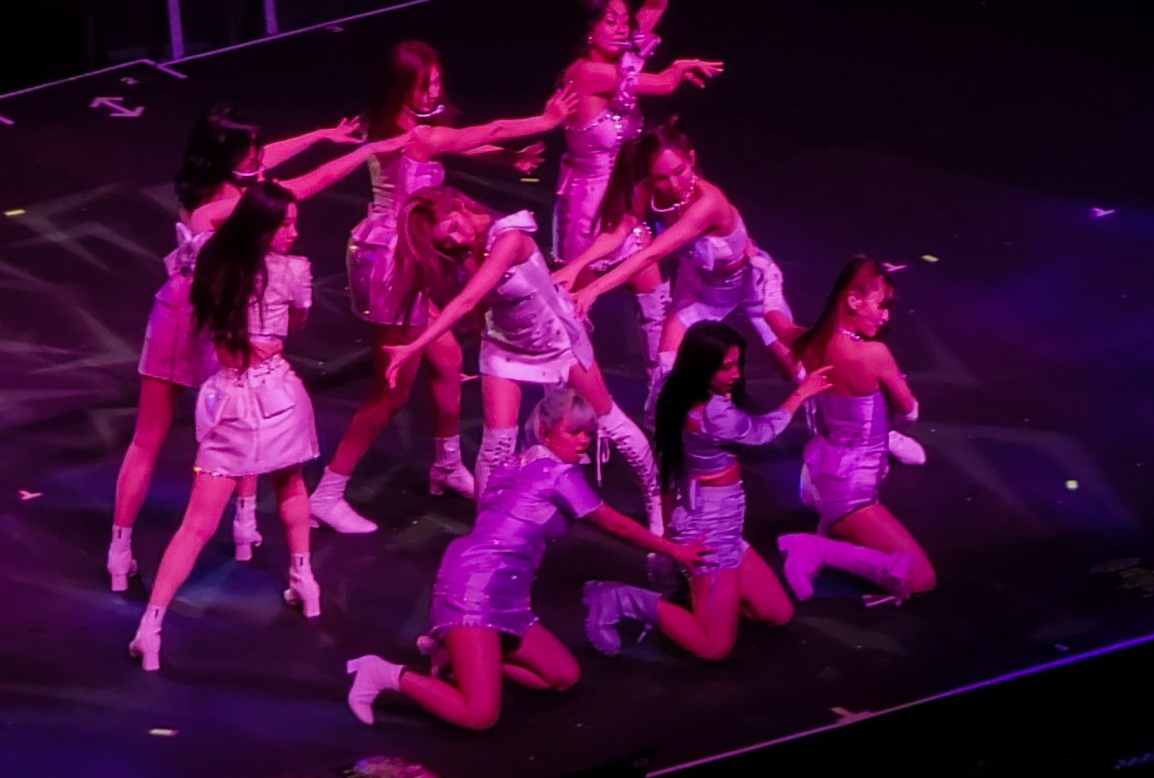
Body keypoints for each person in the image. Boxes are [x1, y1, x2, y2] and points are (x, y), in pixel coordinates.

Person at [110, 107, 400, 590]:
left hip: (182, 309)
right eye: (249, 155)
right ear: (226, 160)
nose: (260, 159)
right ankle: (232, 524)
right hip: (211, 317)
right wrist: (369, 150)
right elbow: (309, 183)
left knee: (188, 428)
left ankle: (124, 551)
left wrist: (322, 132)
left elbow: (267, 160)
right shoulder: (228, 205)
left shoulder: (203, 188)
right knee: (220, 420)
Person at [308, 45, 575, 533]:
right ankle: (327, 493)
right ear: (401, 87)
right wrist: (545, 120)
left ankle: (447, 465)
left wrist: (508, 159)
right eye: (424, 84)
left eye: (436, 81)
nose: (434, 91)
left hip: (404, 254)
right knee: (391, 390)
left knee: (448, 359)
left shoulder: (399, 125)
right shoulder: (417, 136)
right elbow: (484, 131)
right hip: (392, 263)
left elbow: (460, 144)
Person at [343, 388, 707, 730]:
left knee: (561, 675)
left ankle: (456, 656)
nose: (584, 440)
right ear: (546, 431)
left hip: (505, 587)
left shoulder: (514, 464)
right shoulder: (558, 476)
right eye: (575, 432)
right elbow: (615, 525)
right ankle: (385, 674)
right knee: (480, 714)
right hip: (475, 587)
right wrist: (673, 549)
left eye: (588, 433)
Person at [382, 189, 665, 531]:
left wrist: (413, 347)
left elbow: (468, 299)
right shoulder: (463, 251)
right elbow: (479, 306)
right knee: (495, 445)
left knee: (611, 421)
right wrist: (483, 334)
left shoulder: (511, 236)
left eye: (453, 227)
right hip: (505, 348)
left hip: (557, 342)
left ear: (459, 205)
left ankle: (655, 501)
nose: (456, 240)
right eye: (445, 241)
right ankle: (486, 530)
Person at [128, 184, 322, 672]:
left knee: (197, 523)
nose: (295, 233)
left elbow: (204, 219)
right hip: (277, 396)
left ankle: (151, 626)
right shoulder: (293, 271)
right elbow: (297, 323)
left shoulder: (210, 264)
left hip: (229, 403)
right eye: (285, 224)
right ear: (261, 227)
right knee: (289, 484)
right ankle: (304, 581)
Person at [584, 322, 830, 662]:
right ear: (701, 366)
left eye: (737, 364)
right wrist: (801, 393)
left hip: (715, 515)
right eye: (725, 367)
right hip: (709, 526)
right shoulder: (714, 413)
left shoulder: (671, 389)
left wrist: (668, 525)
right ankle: (616, 599)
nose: (735, 374)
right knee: (713, 647)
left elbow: (670, 466)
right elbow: (762, 431)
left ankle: (701, 598)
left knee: (776, 612)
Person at [552, 0, 723, 363]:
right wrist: (679, 67)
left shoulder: (623, 57)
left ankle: (661, 377)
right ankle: (571, 387)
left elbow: (651, 9)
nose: (620, 28)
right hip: (586, 204)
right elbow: (662, 84)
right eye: (609, 22)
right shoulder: (586, 73)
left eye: (622, 21)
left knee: (652, 288)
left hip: (621, 198)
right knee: (575, 304)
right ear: (589, 29)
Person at [566, 119, 800, 411]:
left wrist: (595, 288)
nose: (674, 185)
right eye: (661, 178)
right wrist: (576, 266)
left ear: (691, 158)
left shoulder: (709, 202)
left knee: (790, 366)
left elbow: (649, 255)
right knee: (666, 366)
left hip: (750, 281)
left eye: (679, 172)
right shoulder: (646, 192)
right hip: (701, 287)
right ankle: (668, 430)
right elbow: (618, 231)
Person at [777, 256, 936, 601]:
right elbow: (910, 411)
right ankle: (814, 548)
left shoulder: (811, 342)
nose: (886, 316)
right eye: (882, 305)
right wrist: (892, 417)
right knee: (921, 578)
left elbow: (775, 319)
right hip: (850, 488)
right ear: (853, 300)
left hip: (824, 473)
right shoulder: (873, 354)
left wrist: (760, 279)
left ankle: (829, 535)